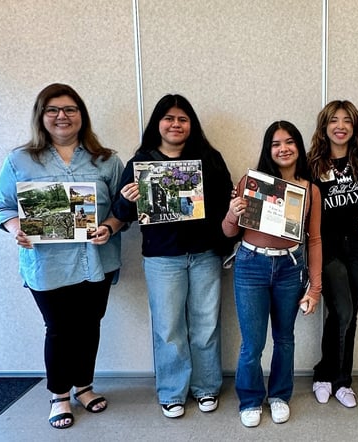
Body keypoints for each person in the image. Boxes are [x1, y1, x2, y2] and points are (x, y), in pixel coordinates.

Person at [0, 83, 124, 429]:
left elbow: (123, 208)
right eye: (53, 110)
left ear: (82, 116)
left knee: (89, 326)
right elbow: (0, 205)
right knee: (59, 328)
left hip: (96, 260)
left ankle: (84, 387)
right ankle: (59, 395)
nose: (62, 116)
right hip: (46, 264)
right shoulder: (19, 159)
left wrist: (108, 227)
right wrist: (16, 227)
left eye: (70, 109)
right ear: (42, 116)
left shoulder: (107, 160)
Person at [113, 94, 233, 418]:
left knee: (206, 324)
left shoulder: (209, 159)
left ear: (191, 124)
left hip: (205, 254)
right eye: (169, 118)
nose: (176, 124)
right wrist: (127, 199)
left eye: (182, 119)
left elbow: (227, 204)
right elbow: (122, 213)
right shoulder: (141, 163)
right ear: (158, 124)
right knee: (169, 328)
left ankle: (206, 387)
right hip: (162, 258)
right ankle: (172, 391)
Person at [222, 120, 323, 427]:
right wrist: (231, 213)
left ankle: (279, 395)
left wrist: (315, 287)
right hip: (251, 265)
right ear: (268, 149)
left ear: (298, 147)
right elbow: (229, 232)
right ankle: (251, 398)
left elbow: (314, 239)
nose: (283, 148)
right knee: (252, 343)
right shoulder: (250, 183)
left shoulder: (310, 189)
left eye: (290, 142)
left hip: (290, 268)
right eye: (276, 143)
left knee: (284, 338)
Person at [306, 100, 358, 408]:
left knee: (348, 314)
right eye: (334, 120)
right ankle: (330, 375)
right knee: (342, 312)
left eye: (347, 121)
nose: (340, 126)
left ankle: (337, 380)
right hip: (328, 248)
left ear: (355, 126)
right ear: (324, 127)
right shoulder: (312, 164)